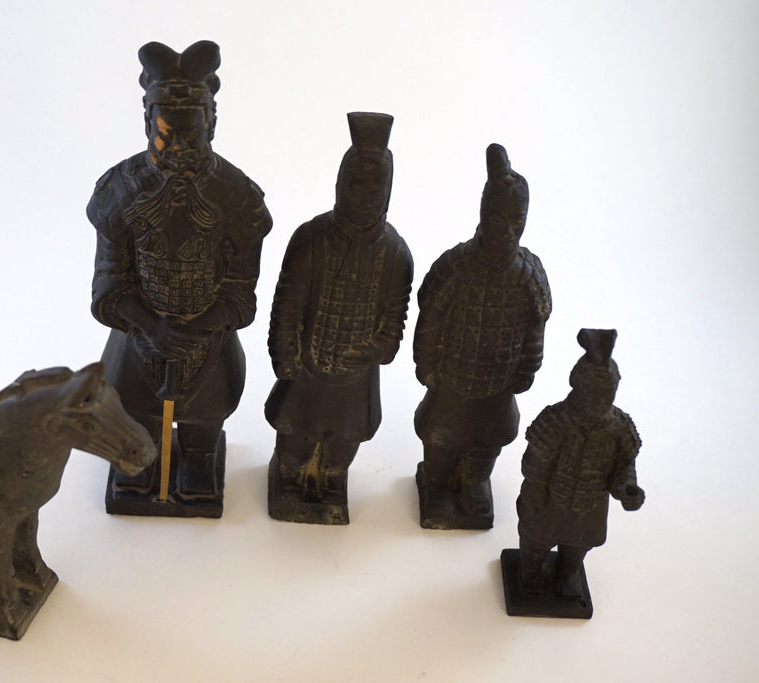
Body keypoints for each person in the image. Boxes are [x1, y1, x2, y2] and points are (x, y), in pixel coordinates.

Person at [87, 41, 272, 512]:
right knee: (136, 411)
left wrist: (200, 326)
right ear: (148, 122)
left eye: (193, 134)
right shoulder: (120, 190)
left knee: (204, 416)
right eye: (166, 134)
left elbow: (240, 291)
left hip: (207, 338)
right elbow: (108, 286)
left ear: (212, 122)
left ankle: (199, 457)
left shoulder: (238, 197)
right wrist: (151, 326)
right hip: (138, 336)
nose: (179, 148)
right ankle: (139, 458)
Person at [265, 112, 413, 524]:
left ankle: (331, 478)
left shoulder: (396, 255)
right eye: (355, 184)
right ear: (339, 184)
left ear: (388, 191)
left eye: (375, 187)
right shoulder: (310, 240)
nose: (365, 196)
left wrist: (379, 349)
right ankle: (290, 475)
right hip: (307, 369)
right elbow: (287, 307)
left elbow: (395, 320)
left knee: (344, 444)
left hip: (356, 377)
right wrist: (285, 356)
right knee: (294, 439)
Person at [412, 143, 551, 528]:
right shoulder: (456, 267)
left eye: (516, 220)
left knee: (485, 444)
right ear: (483, 213)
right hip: (451, 381)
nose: (507, 230)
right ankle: (438, 485)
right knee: (441, 441)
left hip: (498, 385)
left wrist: (528, 368)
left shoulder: (529, 274)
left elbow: (535, 326)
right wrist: (425, 364)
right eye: (497, 217)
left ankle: (473, 484)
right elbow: (430, 319)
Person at [515, 329, 645, 597]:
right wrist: (535, 490)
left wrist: (626, 489)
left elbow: (624, 467)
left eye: (607, 394)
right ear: (577, 385)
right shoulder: (557, 420)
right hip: (550, 500)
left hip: (591, 503)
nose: (600, 401)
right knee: (536, 542)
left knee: (577, 546)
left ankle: (568, 574)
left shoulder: (619, 427)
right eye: (593, 393)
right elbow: (536, 461)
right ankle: (529, 573)